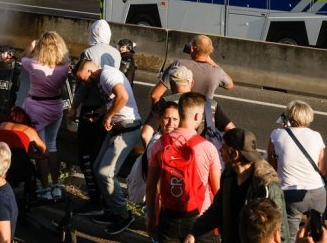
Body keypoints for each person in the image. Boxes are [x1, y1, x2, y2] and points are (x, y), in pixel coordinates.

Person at [185, 129, 289, 243]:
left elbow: (280, 230)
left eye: (223, 147)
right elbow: (217, 210)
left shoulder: (266, 185)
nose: (220, 149)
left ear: (235, 154)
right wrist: (194, 231)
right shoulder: (228, 175)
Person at [75, 61, 141, 235]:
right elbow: (112, 102)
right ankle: (113, 210)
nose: (85, 83)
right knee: (98, 169)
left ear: (90, 70)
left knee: (106, 173)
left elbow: (123, 97)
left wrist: (108, 117)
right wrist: (98, 114)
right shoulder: (104, 78)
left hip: (127, 129)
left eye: (85, 79)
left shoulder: (107, 75)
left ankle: (124, 215)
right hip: (118, 129)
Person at [145, 93, 222, 243]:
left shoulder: (159, 145)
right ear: (197, 116)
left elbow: (151, 187)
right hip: (201, 218)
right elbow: (217, 191)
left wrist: (151, 219)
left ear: (179, 113)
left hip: (169, 217)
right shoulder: (207, 148)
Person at [4, 31, 69, 202]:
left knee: (40, 148)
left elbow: (22, 57)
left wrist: (31, 46)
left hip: (37, 108)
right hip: (56, 108)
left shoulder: (33, 64)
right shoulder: (64, 67)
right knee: (52, 145)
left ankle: (45, 188)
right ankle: (56, 186)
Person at [66, 20, 120, 211]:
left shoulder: (88, 54)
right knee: (101, 155)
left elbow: (83, 86)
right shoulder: (116, 53)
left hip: (90, 110)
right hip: (108, 110)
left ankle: (94, 199)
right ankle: (105, 199)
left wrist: (73, 107)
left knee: (86, 155)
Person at [267, 100, 327, 243]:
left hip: (290, 194)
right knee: (319, 233)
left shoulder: (276, 135)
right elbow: (323, 170)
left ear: (289, 116)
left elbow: (272, 168)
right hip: (317, 191)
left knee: (290, 237)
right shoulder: (316, 136)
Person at [150, 34, 234, 105]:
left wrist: (157, 114)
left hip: (180, 115)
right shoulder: (217, 72)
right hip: (203, 118)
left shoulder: (178, 65)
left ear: (192, 48)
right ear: (211, 51)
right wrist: (210, 61)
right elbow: (230, 85)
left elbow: (154, 95)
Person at [0, 106, 46, 190]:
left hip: (0, 165)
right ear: (24, 118)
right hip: (21, 166)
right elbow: (45, 152)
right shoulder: (29, 130)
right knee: (28, 168)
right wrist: (29, 155)